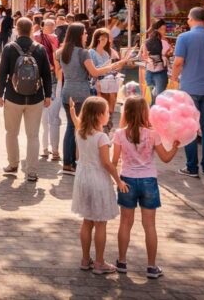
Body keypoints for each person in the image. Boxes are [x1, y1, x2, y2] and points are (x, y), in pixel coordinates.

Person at [112, 96, 180, 279]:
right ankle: (151, 266)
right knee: (149, 225)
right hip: (149, 180)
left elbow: (113, 161)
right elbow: (165, 158)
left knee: (125, 223)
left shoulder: (119, 134)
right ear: (145, 112)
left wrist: (116, 180)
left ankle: (122, 261)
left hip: (127, 180)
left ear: (125, 112)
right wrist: (174, 147)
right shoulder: (153, 134)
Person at [59, 23, 130, 175]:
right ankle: (73, 162)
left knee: (70, 127)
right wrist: (114, 65)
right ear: (79, 35)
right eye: (84, 33)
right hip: (80, 93)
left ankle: (67, 163)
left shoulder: (62, 51)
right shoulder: (82, 53)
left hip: (67, 91)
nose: (86, 35)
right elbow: (95, 72)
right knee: (77, 128)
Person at [69, 97, 126, 275]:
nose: (109, 114)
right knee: (100, 223)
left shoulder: (80, 132)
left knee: (87, 221)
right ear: (99, 115)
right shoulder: (101, 137)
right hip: (98, 180)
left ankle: (85, 260)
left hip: (82, 179)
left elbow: (77, 124)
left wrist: (72, 112)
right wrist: (118, 180)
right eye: (107, 112)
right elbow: (107, 164)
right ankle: (100, 262)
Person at [170, 7, 204, 178]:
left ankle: (192, 167)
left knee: (190, 128)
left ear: (192, 19)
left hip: (189, 88)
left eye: (187, 18)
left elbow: (178, 62)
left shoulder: (183, 37)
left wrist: (173, 79)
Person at [0, 17, 52, 181]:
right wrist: (48, 95)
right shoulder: (40, 49)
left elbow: (3, 74)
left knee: (11, 133)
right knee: (33, 136)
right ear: (31, 30)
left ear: (17, 29)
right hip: (35, 98)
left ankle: (13, 164)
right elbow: (46, 75)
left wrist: (0, 94)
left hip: (13, 97)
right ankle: (32, 171)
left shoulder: (9, 48)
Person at [37, 19, 62, 162]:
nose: (51, 27)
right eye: (48, 25)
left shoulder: (56, 40)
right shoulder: (37, 39)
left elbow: (58, 63)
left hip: (54, 79)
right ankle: (46, 148)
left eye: (52, 25)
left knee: (52, 117)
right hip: (43, 79)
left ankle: (53, 148)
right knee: (45, 118)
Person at [88, 29, 121, 132]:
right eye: (102, 39)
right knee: (99, 111)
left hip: (108, 83)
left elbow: (108, 69)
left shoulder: (106, 54)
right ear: (96, 39)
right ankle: (100, 132)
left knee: (108, 110)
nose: (104, 41)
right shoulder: (91, 52)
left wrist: (113, 70)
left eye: (106, 39)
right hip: (97, 84)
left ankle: (106, 131)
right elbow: (92, 71)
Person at [140, 20, 172, 103]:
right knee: (159, 98)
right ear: (156, 30)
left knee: (152, 98)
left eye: (164, 29)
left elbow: (143, 56)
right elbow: (165, 55)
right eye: (162, 29)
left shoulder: (147, 41)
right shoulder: (164, 42)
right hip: (160, 72)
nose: (164, 32)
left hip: (149, 71)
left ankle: (152, 112)